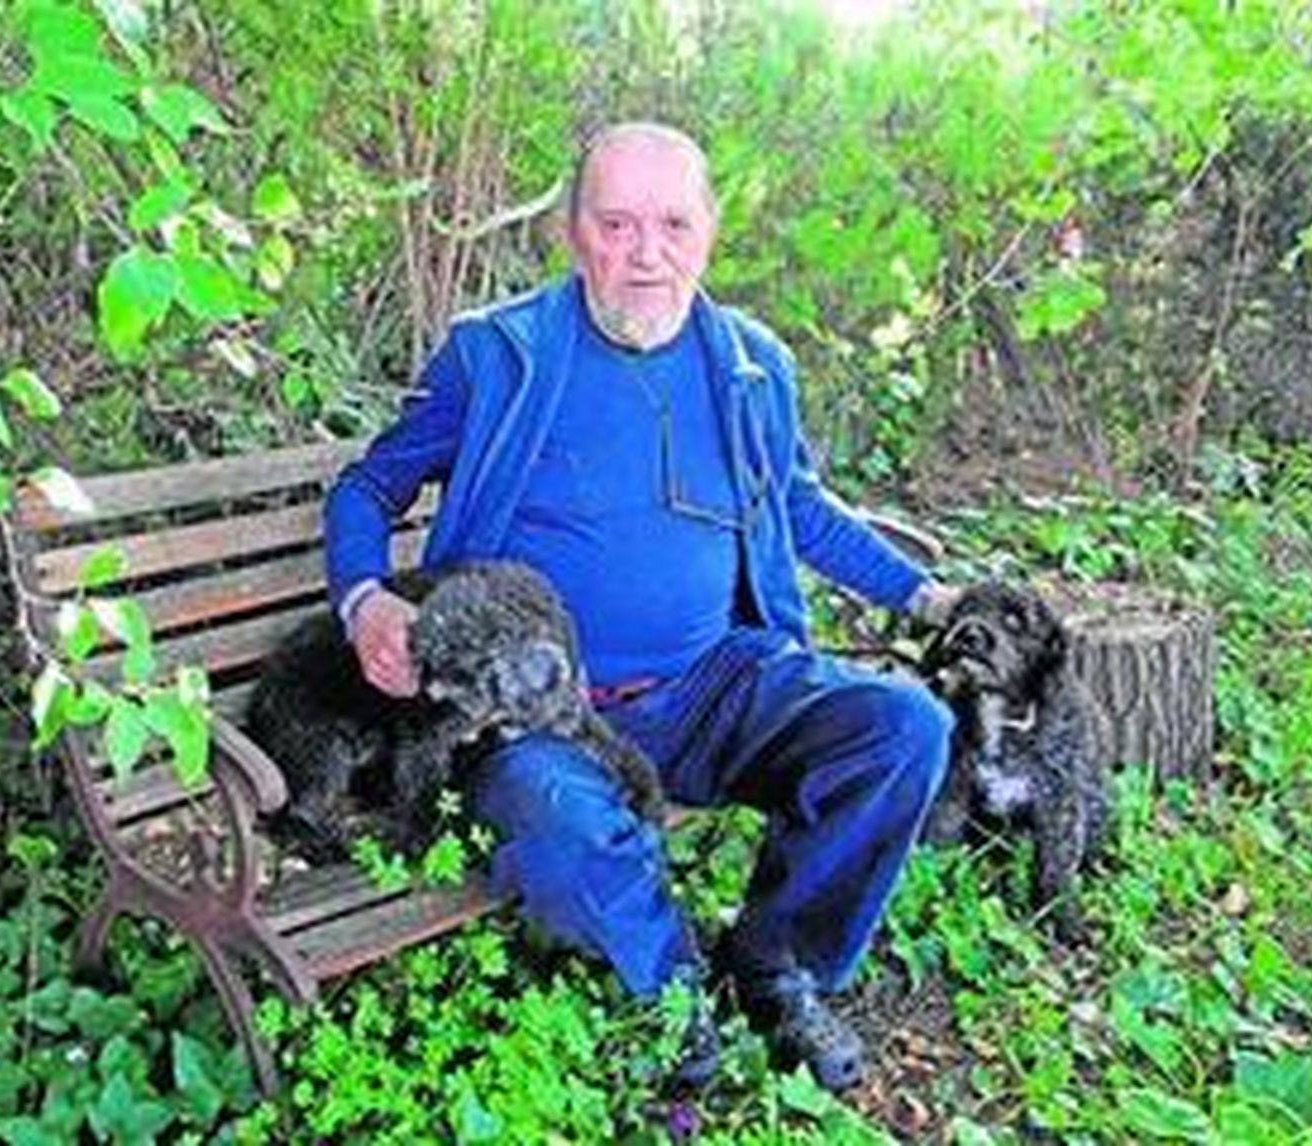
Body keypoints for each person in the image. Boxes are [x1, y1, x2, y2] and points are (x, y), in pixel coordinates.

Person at [323, 121, 958, 1091]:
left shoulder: (751, 367)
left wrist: (921, 593)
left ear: (709, 229)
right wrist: (366, 601)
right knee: (551, 813)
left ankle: (775, 967)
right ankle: (670, 1004)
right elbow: (366, 490)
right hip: (529, 711)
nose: (645, 253)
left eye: (671, 223)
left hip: (713, 681)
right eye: (615, 224)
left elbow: (797, 507)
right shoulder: (496, 357)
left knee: (903, 727)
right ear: (573, 232)